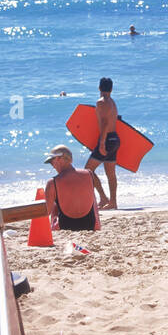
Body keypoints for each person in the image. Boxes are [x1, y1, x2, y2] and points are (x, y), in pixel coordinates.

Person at [43, 145, 101, 231]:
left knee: (55, 201)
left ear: (59, 158)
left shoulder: (52, 182)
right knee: (90, 196)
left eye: (52, 162)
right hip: (90, 224)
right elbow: (94, 204)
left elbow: (46, 212)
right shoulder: (89, 174)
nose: (52, 166)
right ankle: (97, 224)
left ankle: (55, 226)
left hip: (65, 225)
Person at [84, 77, 119, 209]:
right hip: (115, 139)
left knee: (88, 170)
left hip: (107, 140)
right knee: (111, 174)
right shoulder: (113, 103)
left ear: (99, 88)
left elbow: (104, 123)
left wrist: (102, 142)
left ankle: (104, 198)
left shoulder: (101, 102)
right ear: (111, 89)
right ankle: (113, 202)